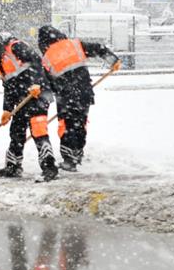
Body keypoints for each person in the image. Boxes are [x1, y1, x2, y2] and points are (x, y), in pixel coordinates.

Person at [36, 24, 118, 171]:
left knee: (67, 126)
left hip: (65, 96)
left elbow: (49, 83)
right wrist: (113, 60)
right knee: (80, 123)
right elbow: (98, 48)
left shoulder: (47, 57)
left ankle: (69, 159)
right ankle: (78, 153)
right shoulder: (74, 44)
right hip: (85, 92)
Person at [0, 31, 58, 180]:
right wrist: (7, 110)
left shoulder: (16, 47)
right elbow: (9, 88)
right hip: (23, 98)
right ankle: (13, 166)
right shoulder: (0, 65)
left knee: (38, 128)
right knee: (17, 130)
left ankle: (50, 168)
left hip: (38, 93)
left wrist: (37, 83)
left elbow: (37, 62)